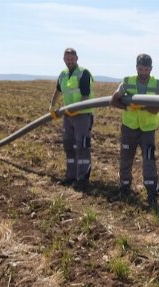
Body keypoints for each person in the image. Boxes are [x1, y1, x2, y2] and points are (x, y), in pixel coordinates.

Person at [110, 53, 159, 207]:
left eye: (147, 69)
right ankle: (124, 187)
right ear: (136, 68)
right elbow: (113, 100)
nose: (144, 73)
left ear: (151, 69)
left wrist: (141, 105)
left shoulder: (158, 84)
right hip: (129, 128)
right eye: (141, 69)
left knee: (149, 160)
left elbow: (156, 109)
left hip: (148, 130)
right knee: (126, 158)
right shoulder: (127, 82)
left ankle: (152, 191)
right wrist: (127, 106)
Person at [49, 47, 94, 189]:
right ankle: (71, 176)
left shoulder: (83, 73)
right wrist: (52, 106)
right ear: (64, 60)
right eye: (67, 59)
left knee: (82, 146)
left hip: (82, 115)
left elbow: (85, 96)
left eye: (72, 59)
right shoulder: (63, 74)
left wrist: (77, 109)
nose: (70, 61)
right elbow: (58, 90)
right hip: (68, 115)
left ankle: (83, 179)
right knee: (68, 145)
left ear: (77, 58)